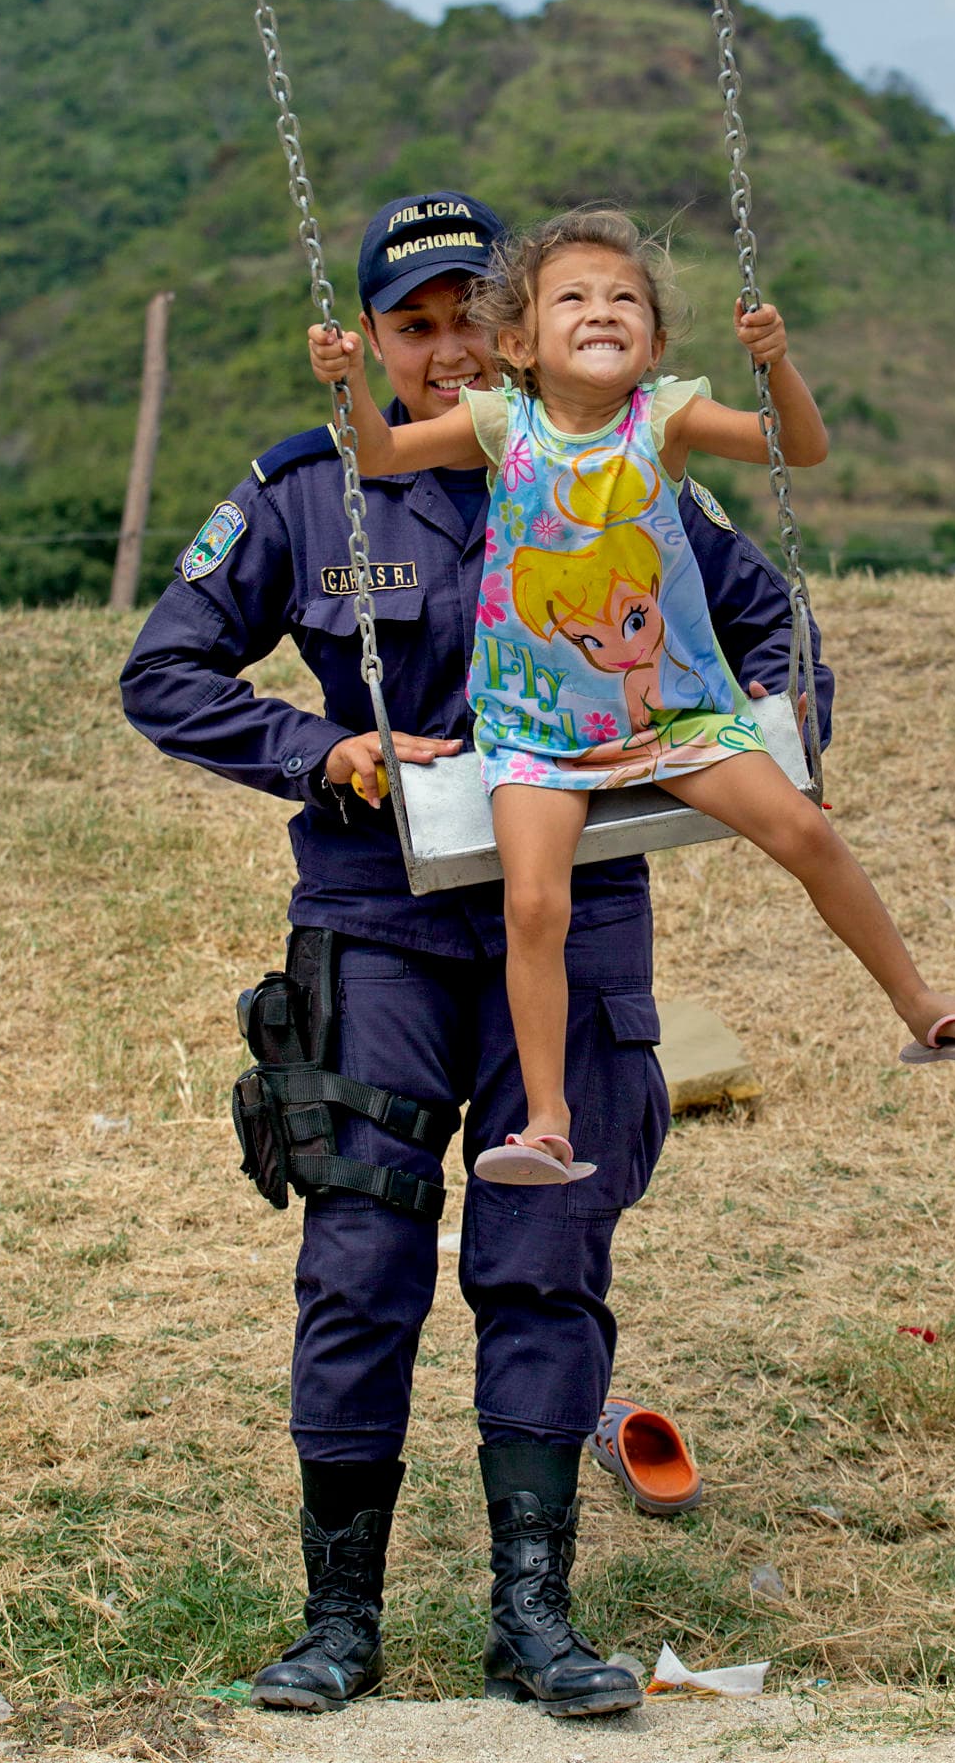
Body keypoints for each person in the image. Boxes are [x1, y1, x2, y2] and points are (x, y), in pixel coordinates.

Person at [121, 191, 836, 1720]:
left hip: (568, 922)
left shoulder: (613, 457)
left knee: (545, 1257)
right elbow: (165, 670)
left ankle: (534, 1616)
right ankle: (339, 1621)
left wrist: (753, 738)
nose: (445, 353)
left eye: (468, 320)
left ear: (514, 331)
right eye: (413, 324)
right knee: (362, 1261)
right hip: (371, 929)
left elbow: (779, 625)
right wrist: (325, 747)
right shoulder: (311, 491)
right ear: (373, 340)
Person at [307, 208, 955, 1187]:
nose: (603, 309)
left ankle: (924, 1005)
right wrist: (347, 377)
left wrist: (775, 364)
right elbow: (380, 458)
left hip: (674, 711)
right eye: (574, 296)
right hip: (537, 730)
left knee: (806, 830)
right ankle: (548, 1118)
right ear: (518, 342)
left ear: (651, 336)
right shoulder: (495, 423)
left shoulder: (669, 416)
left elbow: (795, 447)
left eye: (625, 298)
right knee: (534, 902)